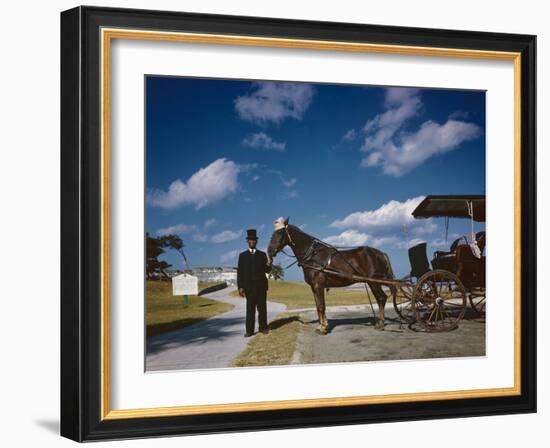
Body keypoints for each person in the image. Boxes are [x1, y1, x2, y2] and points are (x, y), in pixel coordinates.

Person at [237, 229, 273, 337]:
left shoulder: (262, 255)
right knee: (250, 310)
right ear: (247, 242)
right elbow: (240, 273)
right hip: (249, 288)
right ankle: (249, 331)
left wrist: (270, 263)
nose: (252, 242)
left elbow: (267, 270)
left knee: (262, 309)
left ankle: (263, 328)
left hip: (261, 287)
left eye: (254, 240)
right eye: (250, 240)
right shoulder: (242, 256)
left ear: (256, 242)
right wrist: (240, 287)